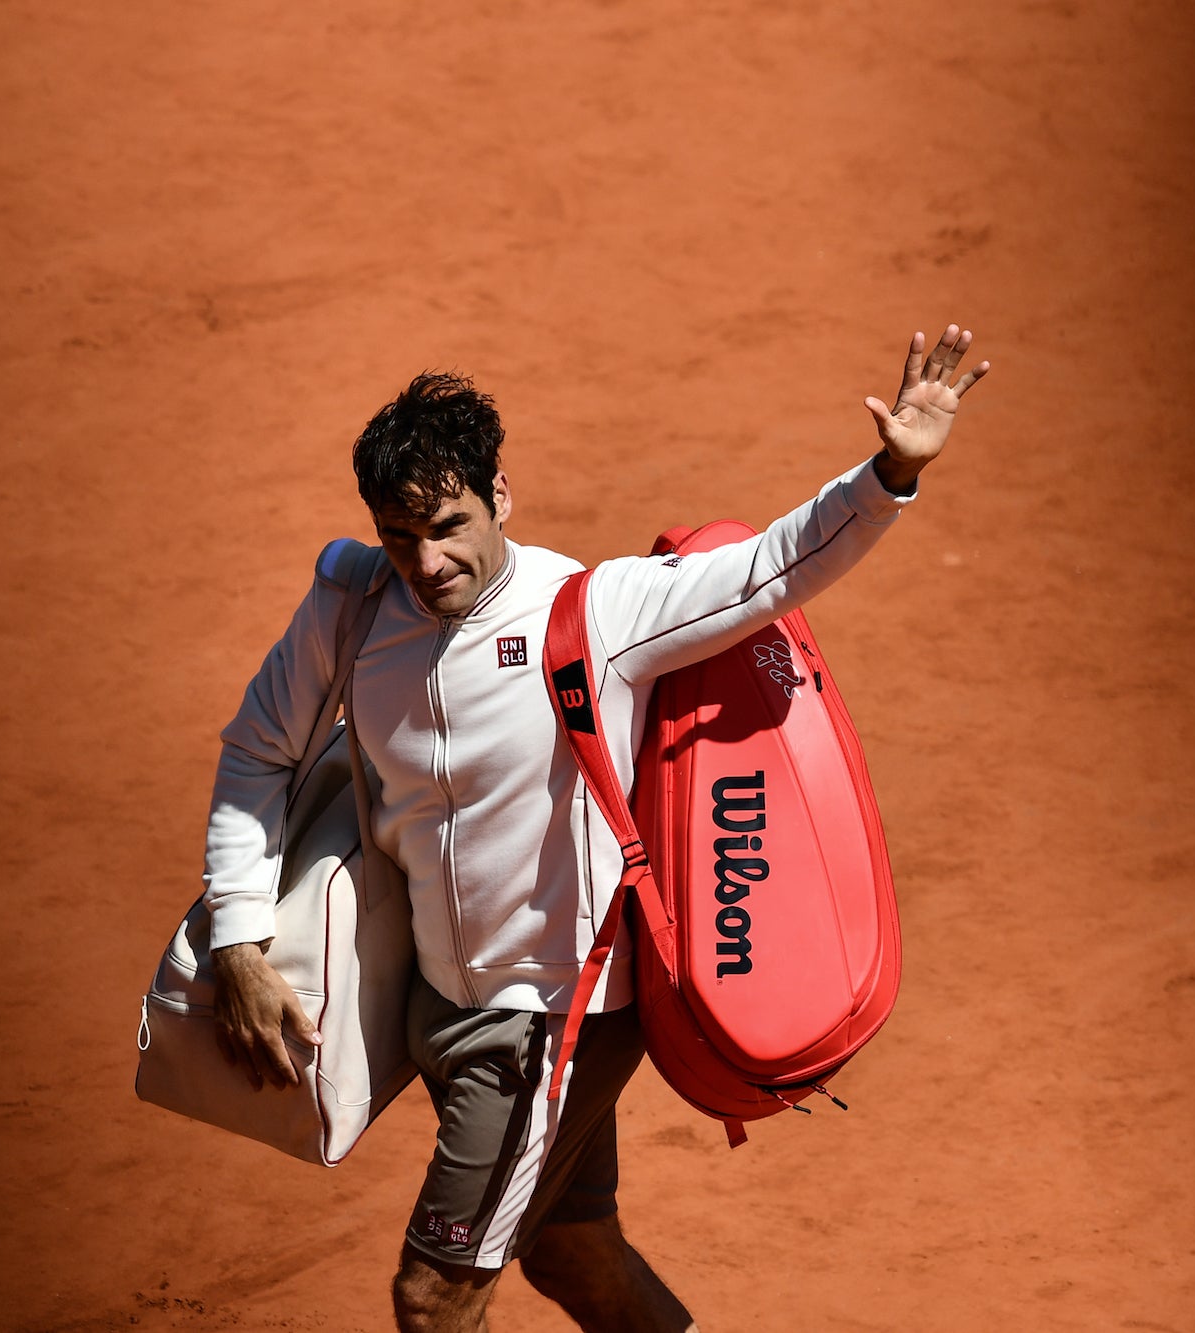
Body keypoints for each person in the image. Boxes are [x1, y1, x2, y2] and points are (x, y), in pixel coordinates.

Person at [201, 325, 989, 1332]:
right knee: (573, 1255)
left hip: (548, 1024)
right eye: (401, 536)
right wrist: (235, 936)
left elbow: (772, 568)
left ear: (500, 499)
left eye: (449, 525)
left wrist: (888, 475)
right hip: (437, 1009)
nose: (427, 561)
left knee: (434, 1300)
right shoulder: (353, 610)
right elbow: (257, 750)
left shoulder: (596, 613)